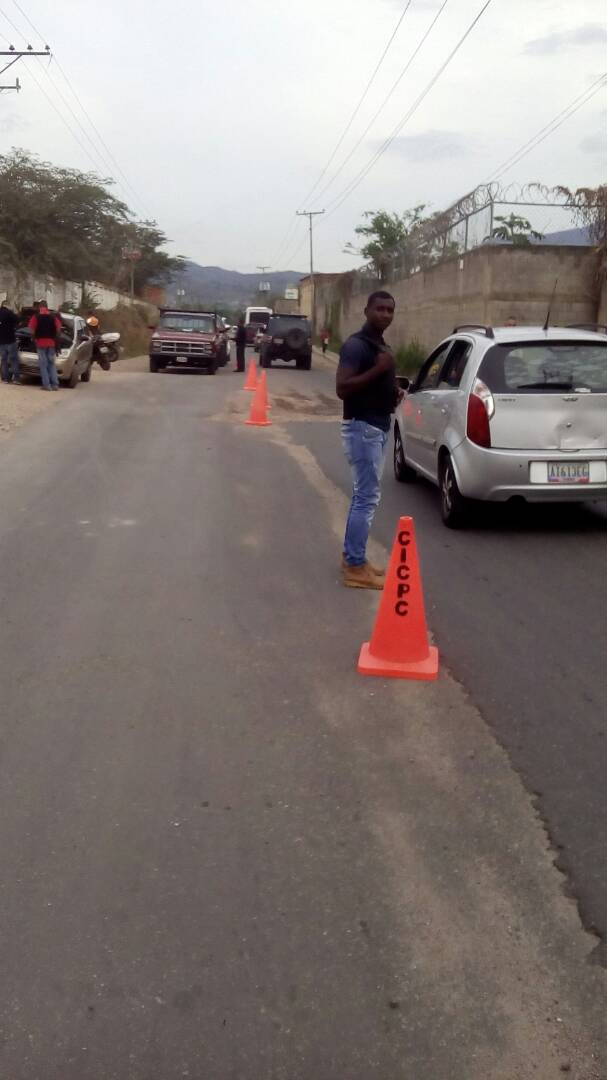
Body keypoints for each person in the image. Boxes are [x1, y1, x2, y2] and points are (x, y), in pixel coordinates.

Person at [336, 290, 400, 590]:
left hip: (377, 426)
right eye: (380, 309)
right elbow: (343, 388)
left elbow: (372, 386)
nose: (385, 314)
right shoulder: (356, 346)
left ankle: (354, 559)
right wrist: (380, 370)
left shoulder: (378, 344)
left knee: (364, 496)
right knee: (366, 498)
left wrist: (392, 393)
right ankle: (355, 566)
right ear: (366, 311)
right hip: (363, 429)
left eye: (390, 310)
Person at [29, 300, 62, 391]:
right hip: (51, 343)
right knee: (51, 364)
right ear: (47, 307)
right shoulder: (53, 317)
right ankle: (55, 385)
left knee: (43, 364)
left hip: (40, 343)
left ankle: (46, 385)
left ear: (40, 307)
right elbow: (59, 329)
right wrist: (55, 339)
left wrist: (34, 339)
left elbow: (32, 330)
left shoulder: (36, 317)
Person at [0, 299, 21, 384]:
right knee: (14, 360)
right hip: (11, 340)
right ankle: (16, 379)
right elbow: (18, 320)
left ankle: (5, 379)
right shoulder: (9, 313)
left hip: (1, 342)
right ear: (7, 305)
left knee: (4, 360)